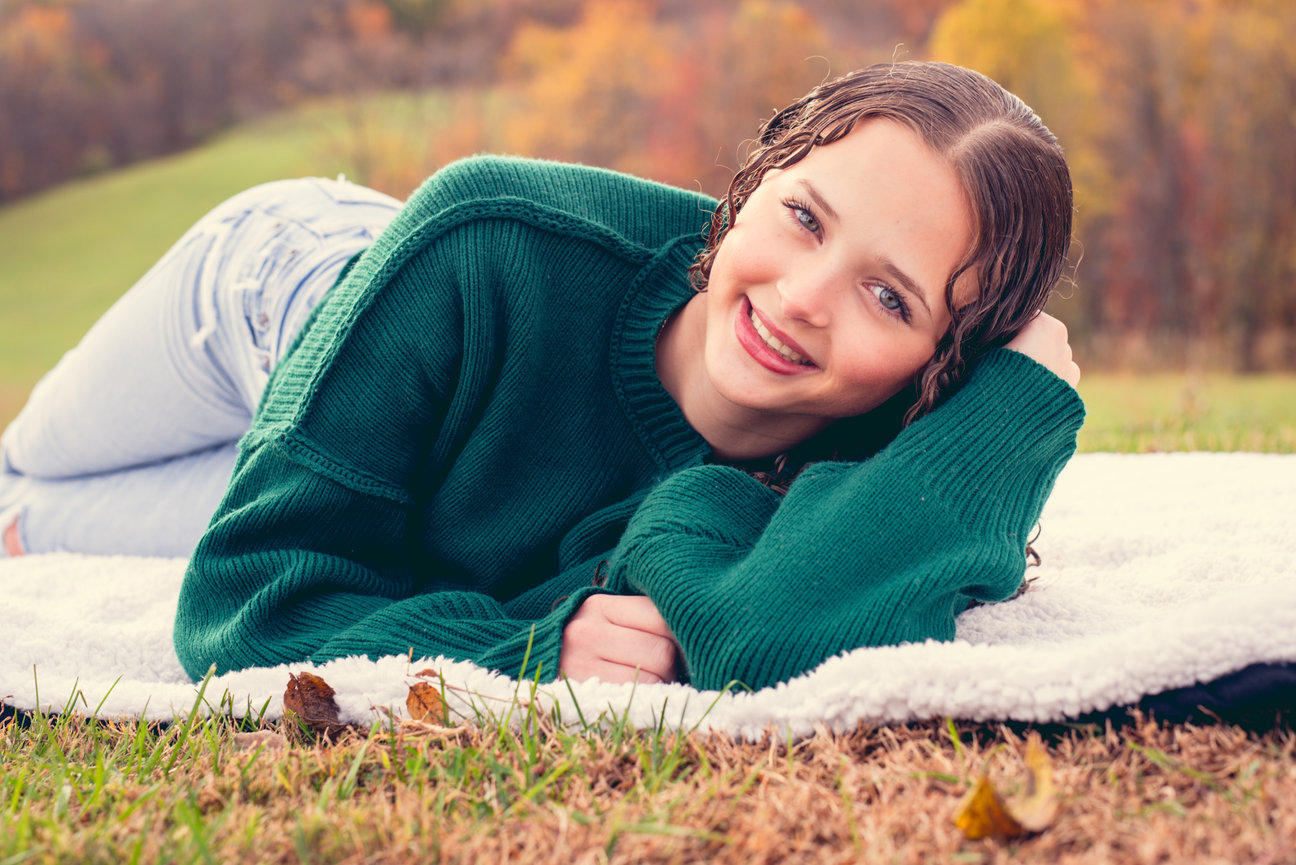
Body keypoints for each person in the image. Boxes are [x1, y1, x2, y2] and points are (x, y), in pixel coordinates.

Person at [0, 61, 1083, 692]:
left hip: (419, 476)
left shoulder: (852, 464)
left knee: (23, 521)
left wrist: (1016, 405)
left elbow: (762, 639)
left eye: (890, 298)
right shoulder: (487, 241)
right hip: (290, 295)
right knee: (30, 457)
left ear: (944, 365)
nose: (803, 297)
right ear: (757, 177)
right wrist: (524, 648)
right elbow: (244, 604)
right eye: (804, 217)